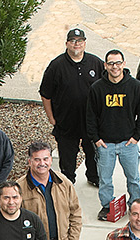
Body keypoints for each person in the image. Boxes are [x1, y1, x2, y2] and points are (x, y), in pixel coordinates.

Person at [86, 49, 140, 221]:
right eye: (111, 63)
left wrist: (136, 137)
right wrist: (96, 140)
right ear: (105, 66)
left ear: (124, 64)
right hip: (105, 144)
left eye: (118, 63)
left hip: (128, 143)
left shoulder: (135, 86)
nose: (115, 67)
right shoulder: (97, 88)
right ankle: (107, 207)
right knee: (105, 179)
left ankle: (135, 206)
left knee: (133, 178)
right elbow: (90, 117)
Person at [39, 28, 105, 186]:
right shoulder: (56, 66)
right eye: (73, 41)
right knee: (67, 158)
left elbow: (106, 87)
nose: (77, 44)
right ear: (67, 43)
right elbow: (45, 93)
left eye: (80, 41)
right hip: (66, 122)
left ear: (85, 43)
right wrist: (51, 118)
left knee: (93, 153)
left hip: (90, 122)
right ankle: (68, 184)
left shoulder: (95, 63)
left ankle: (94, 178)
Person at [19, 140, 84, 240]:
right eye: (37, 159)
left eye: (45, 159)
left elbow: (76, 212)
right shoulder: (19, 188)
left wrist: (72, 239)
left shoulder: (63, 182)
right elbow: (15, 224)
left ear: (51, 159)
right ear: (29, 161)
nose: (42, 163)